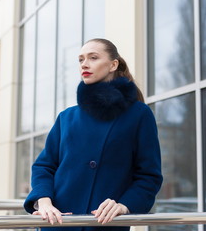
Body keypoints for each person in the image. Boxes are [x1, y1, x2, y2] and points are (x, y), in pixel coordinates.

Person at [23, 38, 163, 231]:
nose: (85, 64)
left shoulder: (139, 114)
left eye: (93, 57)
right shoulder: (67, 117)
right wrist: (44, 202)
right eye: (81, 60)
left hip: (105, 225)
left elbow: (149, 176)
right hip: (58, 224)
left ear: (113, 64)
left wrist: (124, 205)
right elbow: (44, 166)